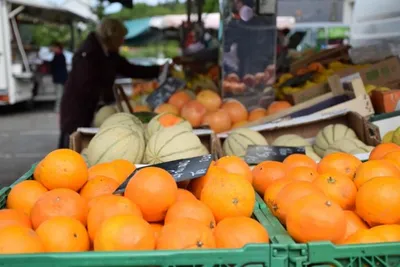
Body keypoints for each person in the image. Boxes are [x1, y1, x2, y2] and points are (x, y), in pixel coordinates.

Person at [58, 18, 161, 149]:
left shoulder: (108, 53)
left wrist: (158, 69)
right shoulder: (89, 53)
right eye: (121, 37)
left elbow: (130, 69)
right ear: (111, 36)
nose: (122, 41)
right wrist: (108, 100)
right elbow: (86, 86)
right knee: (71, 146)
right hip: (77, 110)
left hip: (91, 110)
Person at [50, 41, 68, 113]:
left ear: (57, 48)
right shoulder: (60, 55)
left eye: (54, 47)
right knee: (61, 94)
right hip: (61, 78)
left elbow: (54, 67)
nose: (52, 49)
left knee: (59, 94)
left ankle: (58, 109)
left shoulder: (58, 56)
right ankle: (61, 108)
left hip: (59, 78)